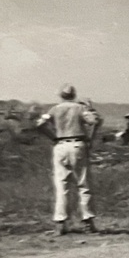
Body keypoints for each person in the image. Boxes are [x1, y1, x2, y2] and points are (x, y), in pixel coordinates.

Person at [35, 85, 102, 235]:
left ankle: (60, 223)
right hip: (78, 144)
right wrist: (90, 138)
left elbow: (39, 124)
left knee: (61, 185)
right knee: (83, 184)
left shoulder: (54, 109)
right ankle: (87, 222)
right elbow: (95, 121)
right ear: (74, 94)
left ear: (61, 95)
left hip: (60, 145)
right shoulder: (80, 108)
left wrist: (52, 137)